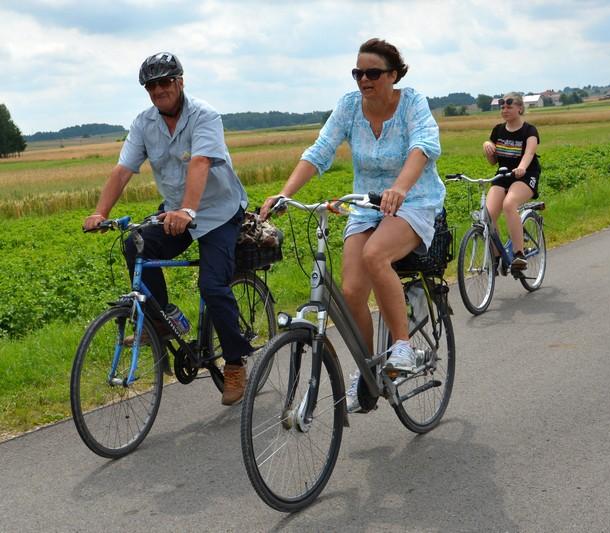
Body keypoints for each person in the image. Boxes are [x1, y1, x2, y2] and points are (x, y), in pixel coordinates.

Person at [259, 38, 445, 413]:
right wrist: (284, 193)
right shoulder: (349, 106)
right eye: (358, 73)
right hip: (364, 207)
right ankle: (367, 367)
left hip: (414, 201)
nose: (364, 80)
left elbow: (423, 147)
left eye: (372, 73)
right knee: (351, 291)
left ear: (393, 75)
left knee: (376, 255)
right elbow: (320, 151)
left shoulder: (411, 103)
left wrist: (400, 188)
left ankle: (403, 346)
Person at [82, 52, 252, 406]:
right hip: (176, 212)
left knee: (212, 285)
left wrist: (189, 210)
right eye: (151, 85)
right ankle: (161, 322)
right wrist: (100, 212)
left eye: (165, 82)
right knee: (136, 244)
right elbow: (123, 170)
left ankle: (235, 362)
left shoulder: (204, 115)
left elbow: (200, 162)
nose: (158, 90)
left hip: (219, 212)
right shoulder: (144, 124)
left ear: (180, 82)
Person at [482, 92, 541, 271]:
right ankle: (497, 256)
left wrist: (521, 167)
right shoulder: (498, 130)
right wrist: (487, 147)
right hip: (503, 175)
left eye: (509, 106)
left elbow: (529, 153)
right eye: (502, 107)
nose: (505, 110)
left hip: (525, 175)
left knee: (509, 204)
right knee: (488, 214)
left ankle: (518, 254)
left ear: (520, 108)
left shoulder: (529, 130)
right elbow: (493, 161)